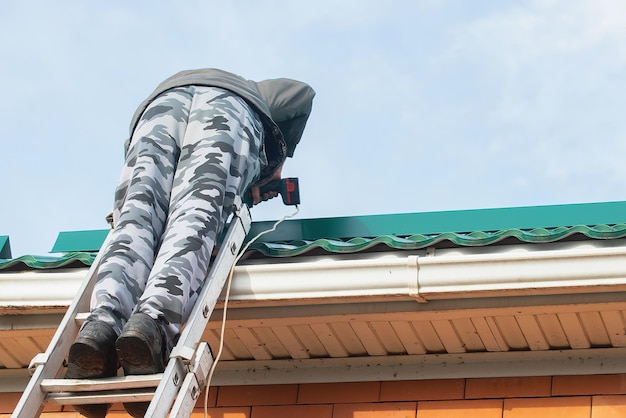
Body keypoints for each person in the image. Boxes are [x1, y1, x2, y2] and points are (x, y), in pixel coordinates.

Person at [64, 68, 315, 418]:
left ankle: (101, 329)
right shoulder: (255, 92)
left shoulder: (180, 86)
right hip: (228, 114)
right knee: (194, 219)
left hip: (156, 114)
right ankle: (151, 327)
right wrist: (275, 166)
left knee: (135, 222)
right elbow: (301, 93)